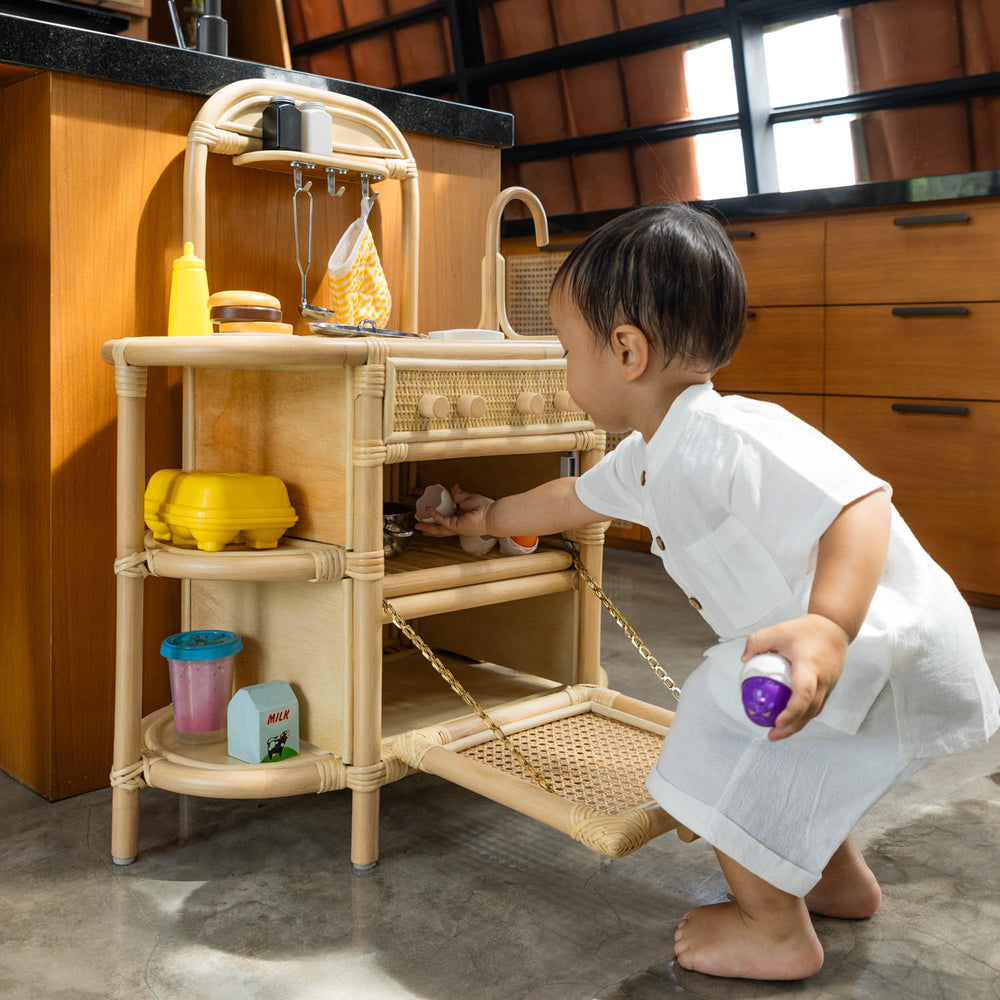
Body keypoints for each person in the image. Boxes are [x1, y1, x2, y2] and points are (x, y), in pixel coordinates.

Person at [416, 202, 1000, 981]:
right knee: (799, 758)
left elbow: (859, 504)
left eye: (565, 351)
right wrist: (484, 517)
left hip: (869, 639)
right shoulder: (649, 455)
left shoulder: (734, 436)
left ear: (625, 350)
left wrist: (828, 625)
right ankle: (835, 881)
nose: (564, 370)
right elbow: (568, 503)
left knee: (716, 725)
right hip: (843, 659)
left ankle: (772, 929)